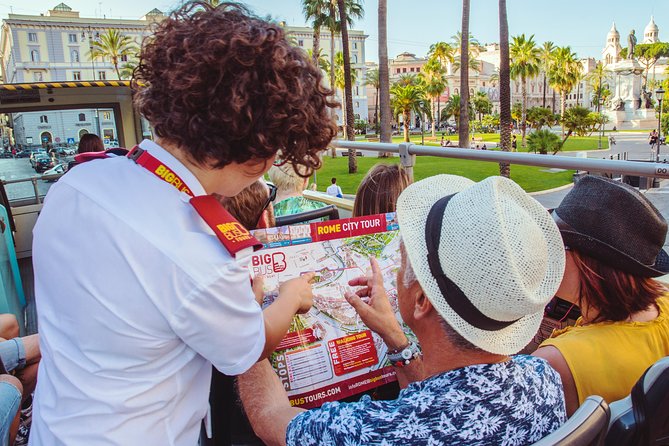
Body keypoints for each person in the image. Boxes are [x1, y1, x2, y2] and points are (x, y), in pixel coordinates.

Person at [30, 2, 336, 445]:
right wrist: (291, 295)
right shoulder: (199, 251)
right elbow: (247, 348)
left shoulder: (77, 182)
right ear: (258, 154)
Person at [238, 175, 568, 445]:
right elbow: (444, 396)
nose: (395, 271)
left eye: (403, 260)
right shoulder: (543, 381)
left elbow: (270, 418)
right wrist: (395, 339)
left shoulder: (380, 431)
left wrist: (248, 321)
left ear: (422, 301)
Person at [534, 175, 669, 415]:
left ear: (589, 265)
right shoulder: (664, 305)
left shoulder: (556, 362)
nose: (545, 251)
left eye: (556, 243)